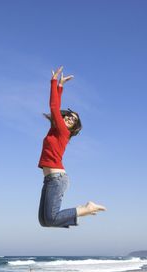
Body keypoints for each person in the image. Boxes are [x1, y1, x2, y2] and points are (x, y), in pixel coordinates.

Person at [38, 66, 106, 228]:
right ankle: (81, 212)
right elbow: (56, 110)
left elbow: (54, 107)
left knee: (51, 219)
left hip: (57, 179)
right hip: (49, 179)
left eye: (73, 119)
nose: (70, 118)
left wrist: (54, 82)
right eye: (68, 116)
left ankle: (86, 208)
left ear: (73, 127)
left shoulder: (63, 132)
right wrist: (60, 87)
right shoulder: (54, 130)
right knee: (44, 221)